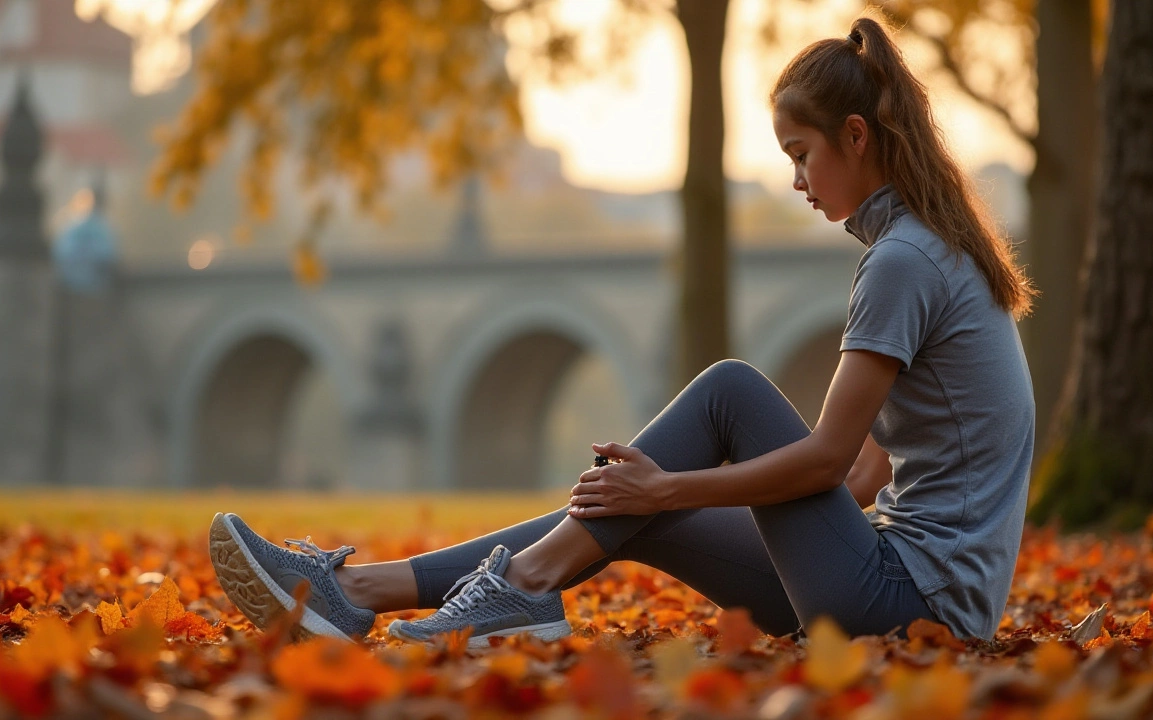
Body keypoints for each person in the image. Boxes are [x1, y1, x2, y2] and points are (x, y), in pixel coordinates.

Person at [207, 16, 1035, 648]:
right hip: (895, 590)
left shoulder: (905, 263)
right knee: (630, 504)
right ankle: (359, 594)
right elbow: (860, 475)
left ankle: (522, 583)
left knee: (729, 392)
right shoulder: (938, 252)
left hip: (906, 605)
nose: (795, 182)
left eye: (801, 154)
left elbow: (825, 461)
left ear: (857, 138)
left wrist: (669, 487)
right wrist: (664, 501)